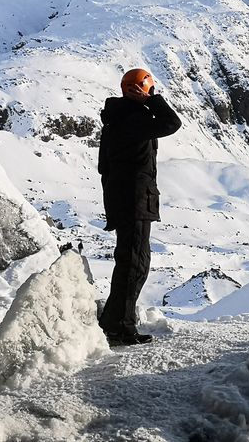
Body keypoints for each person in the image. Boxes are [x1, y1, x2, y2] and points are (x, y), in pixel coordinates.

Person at [97, 68, 181, 345]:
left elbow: (104, 167)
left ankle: (114, 320)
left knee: (129, 261)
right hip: (135, 197)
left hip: (124, 197)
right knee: (135, 263)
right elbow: (172, 123)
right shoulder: (134, 118)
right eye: (150, 89)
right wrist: (151, 102)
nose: (153, 93)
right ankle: (120, 326)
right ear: (143, 89)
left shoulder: (115, 118)